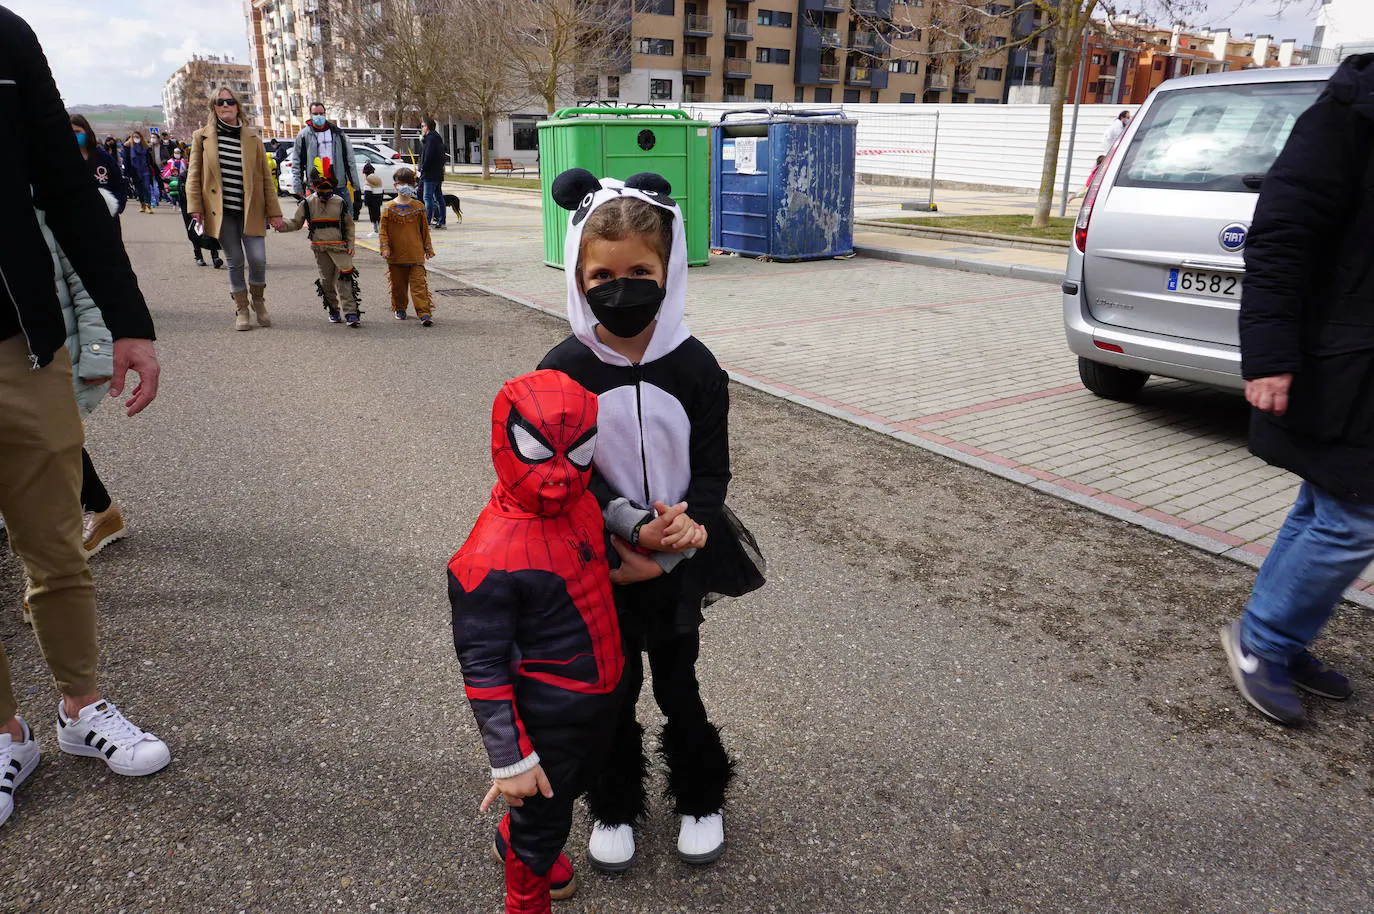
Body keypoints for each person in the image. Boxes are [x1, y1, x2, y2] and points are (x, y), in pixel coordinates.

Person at [538, 169, 765, 870]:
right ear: (578, 276)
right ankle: (613, 803)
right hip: (599, 559)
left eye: (640, 270)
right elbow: (558, 473)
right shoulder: (564, 368)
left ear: (669, 268)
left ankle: (700, 794)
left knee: (676, 681)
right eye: (602, 274)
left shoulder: (696, 367)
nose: (621, 286)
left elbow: (711, 467)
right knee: (612, 686)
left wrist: (685, 530)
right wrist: (625, 535)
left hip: (680, 555)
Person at [0, 5, 170, 832]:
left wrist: (129, 321)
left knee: (54, 545)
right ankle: (6, 736)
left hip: (18, 345)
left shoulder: (4, 36)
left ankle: (81, 708)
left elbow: (66, 190)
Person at [1220, 53, 1374, 727]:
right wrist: (1271, 357)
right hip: (1352, 360)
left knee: (1326, 503)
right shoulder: (1352, 111)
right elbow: (1282, 235)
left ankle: (1275, 633)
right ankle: (1266, 641)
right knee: (1355, 517)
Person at [449, 369, 623, 914]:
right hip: (547, 712)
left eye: (578, 452)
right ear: (507, 439)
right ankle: (527, 875)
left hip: (600, 695)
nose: (559, 476)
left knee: (573, 786)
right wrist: (511, 760)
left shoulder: (584, 504)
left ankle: (520, 835)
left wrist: (658, 534)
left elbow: (599, 562)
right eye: (537, 450)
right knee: (542, 821)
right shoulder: (488, 556)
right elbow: (482, 663)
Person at [187, 87, 284, 331]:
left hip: (251, 209)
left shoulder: (252, 137)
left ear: (237, 106)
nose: (225, 105)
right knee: (235, 261)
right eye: (220, 102)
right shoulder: (202, 137)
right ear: (214, 107)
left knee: (258, 259)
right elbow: (194, 174)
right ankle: (241, 308)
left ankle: (259, 301)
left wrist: (274, 212)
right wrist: (195, 206)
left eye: (230, 101)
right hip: (222, 211)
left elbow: (265, 178)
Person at [276, 171, 363, 328]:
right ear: (315, 188)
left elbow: (349, 225)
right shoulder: (307, 203)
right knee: (326, 281)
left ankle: (351, 313)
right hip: (320, 248)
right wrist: (280, 225)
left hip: (339, 248)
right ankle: (334, 310)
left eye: (328, 191)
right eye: (321, 191)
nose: (325, 196)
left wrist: (351, 244)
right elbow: (296, 223)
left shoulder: (339, 202)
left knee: (345, 277)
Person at [379, 166, 434, 325]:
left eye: (408, 183)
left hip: (415, 253)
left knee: (419, 285)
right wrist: (385, 247)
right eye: (401, 183)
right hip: (395, 255)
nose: (404, 186)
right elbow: (383, 231)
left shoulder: (418, 207)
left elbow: (424, 230)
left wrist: (428, 248)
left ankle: (424, 313)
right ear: (395, 185)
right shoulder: (388, 208)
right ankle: (400, 308)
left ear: (413, 185)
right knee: (399, 286)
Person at [292, 101, 361, 214]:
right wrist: (298, 187)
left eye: (321, 113)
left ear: (325, 113)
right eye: (315, 113)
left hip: (338, 183)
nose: (319, 116)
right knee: (317, 219)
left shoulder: (338, 134)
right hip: (316, 184)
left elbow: (350, 161)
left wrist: (356, 187)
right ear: (310, 114)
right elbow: (297, 163)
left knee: (345, 217)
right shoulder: (303, 135)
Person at [70, 114, 126, 219]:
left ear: (86, 131)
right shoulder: (63, 160)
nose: (73, 135)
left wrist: (116, 207)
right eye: (70, 132)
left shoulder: (103, 157)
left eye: (77, 132)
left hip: (106, 218)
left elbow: (119, 185)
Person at [420, 117, 447, 230]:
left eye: (422, 126)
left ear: (427, 127)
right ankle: (441, 219)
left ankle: (427, 221)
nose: (421, 128)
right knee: (438, 197)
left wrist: (422, 168)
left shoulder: (430, 139)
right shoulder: (437, 138)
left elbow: (428, 156)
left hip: (430, 174)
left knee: (427, 197)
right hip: (437, 173)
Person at [122, 129, 156, 214]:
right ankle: (142, 204)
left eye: (137, 137)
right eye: (134, 137)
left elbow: (150, 160)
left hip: (145, 170)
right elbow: (125, 159)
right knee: (139, 189)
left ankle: (148, 206)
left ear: (141, 137)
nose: (136, 138)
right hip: (135, 171)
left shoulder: (145, 148)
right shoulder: (129, 148)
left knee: (147, 188)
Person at [361, 162, 384, 236]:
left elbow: (367, 192)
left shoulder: (368, 179)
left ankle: (375, 230)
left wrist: (366, 202)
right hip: (378, 199)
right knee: (378, 214)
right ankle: (380, 229)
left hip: (371, 200)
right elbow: (382, 189)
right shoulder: (378, 178)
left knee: (373, 216)